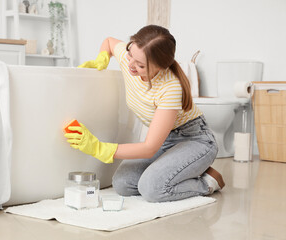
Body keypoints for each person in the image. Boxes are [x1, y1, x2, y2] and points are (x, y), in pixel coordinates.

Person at [64, 25, 225, 202]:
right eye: (130, 54)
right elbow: (109, 42)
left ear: (160, 67)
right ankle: (181, 168)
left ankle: (206, 182)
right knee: (123, 184)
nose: (130, 64)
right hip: (165, 139)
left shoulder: (169, 87)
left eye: (140, 65)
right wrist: (102, 58)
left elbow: (149, 148)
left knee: (152, 189)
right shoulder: (131, 57)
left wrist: (99, 148)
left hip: (195, 140)